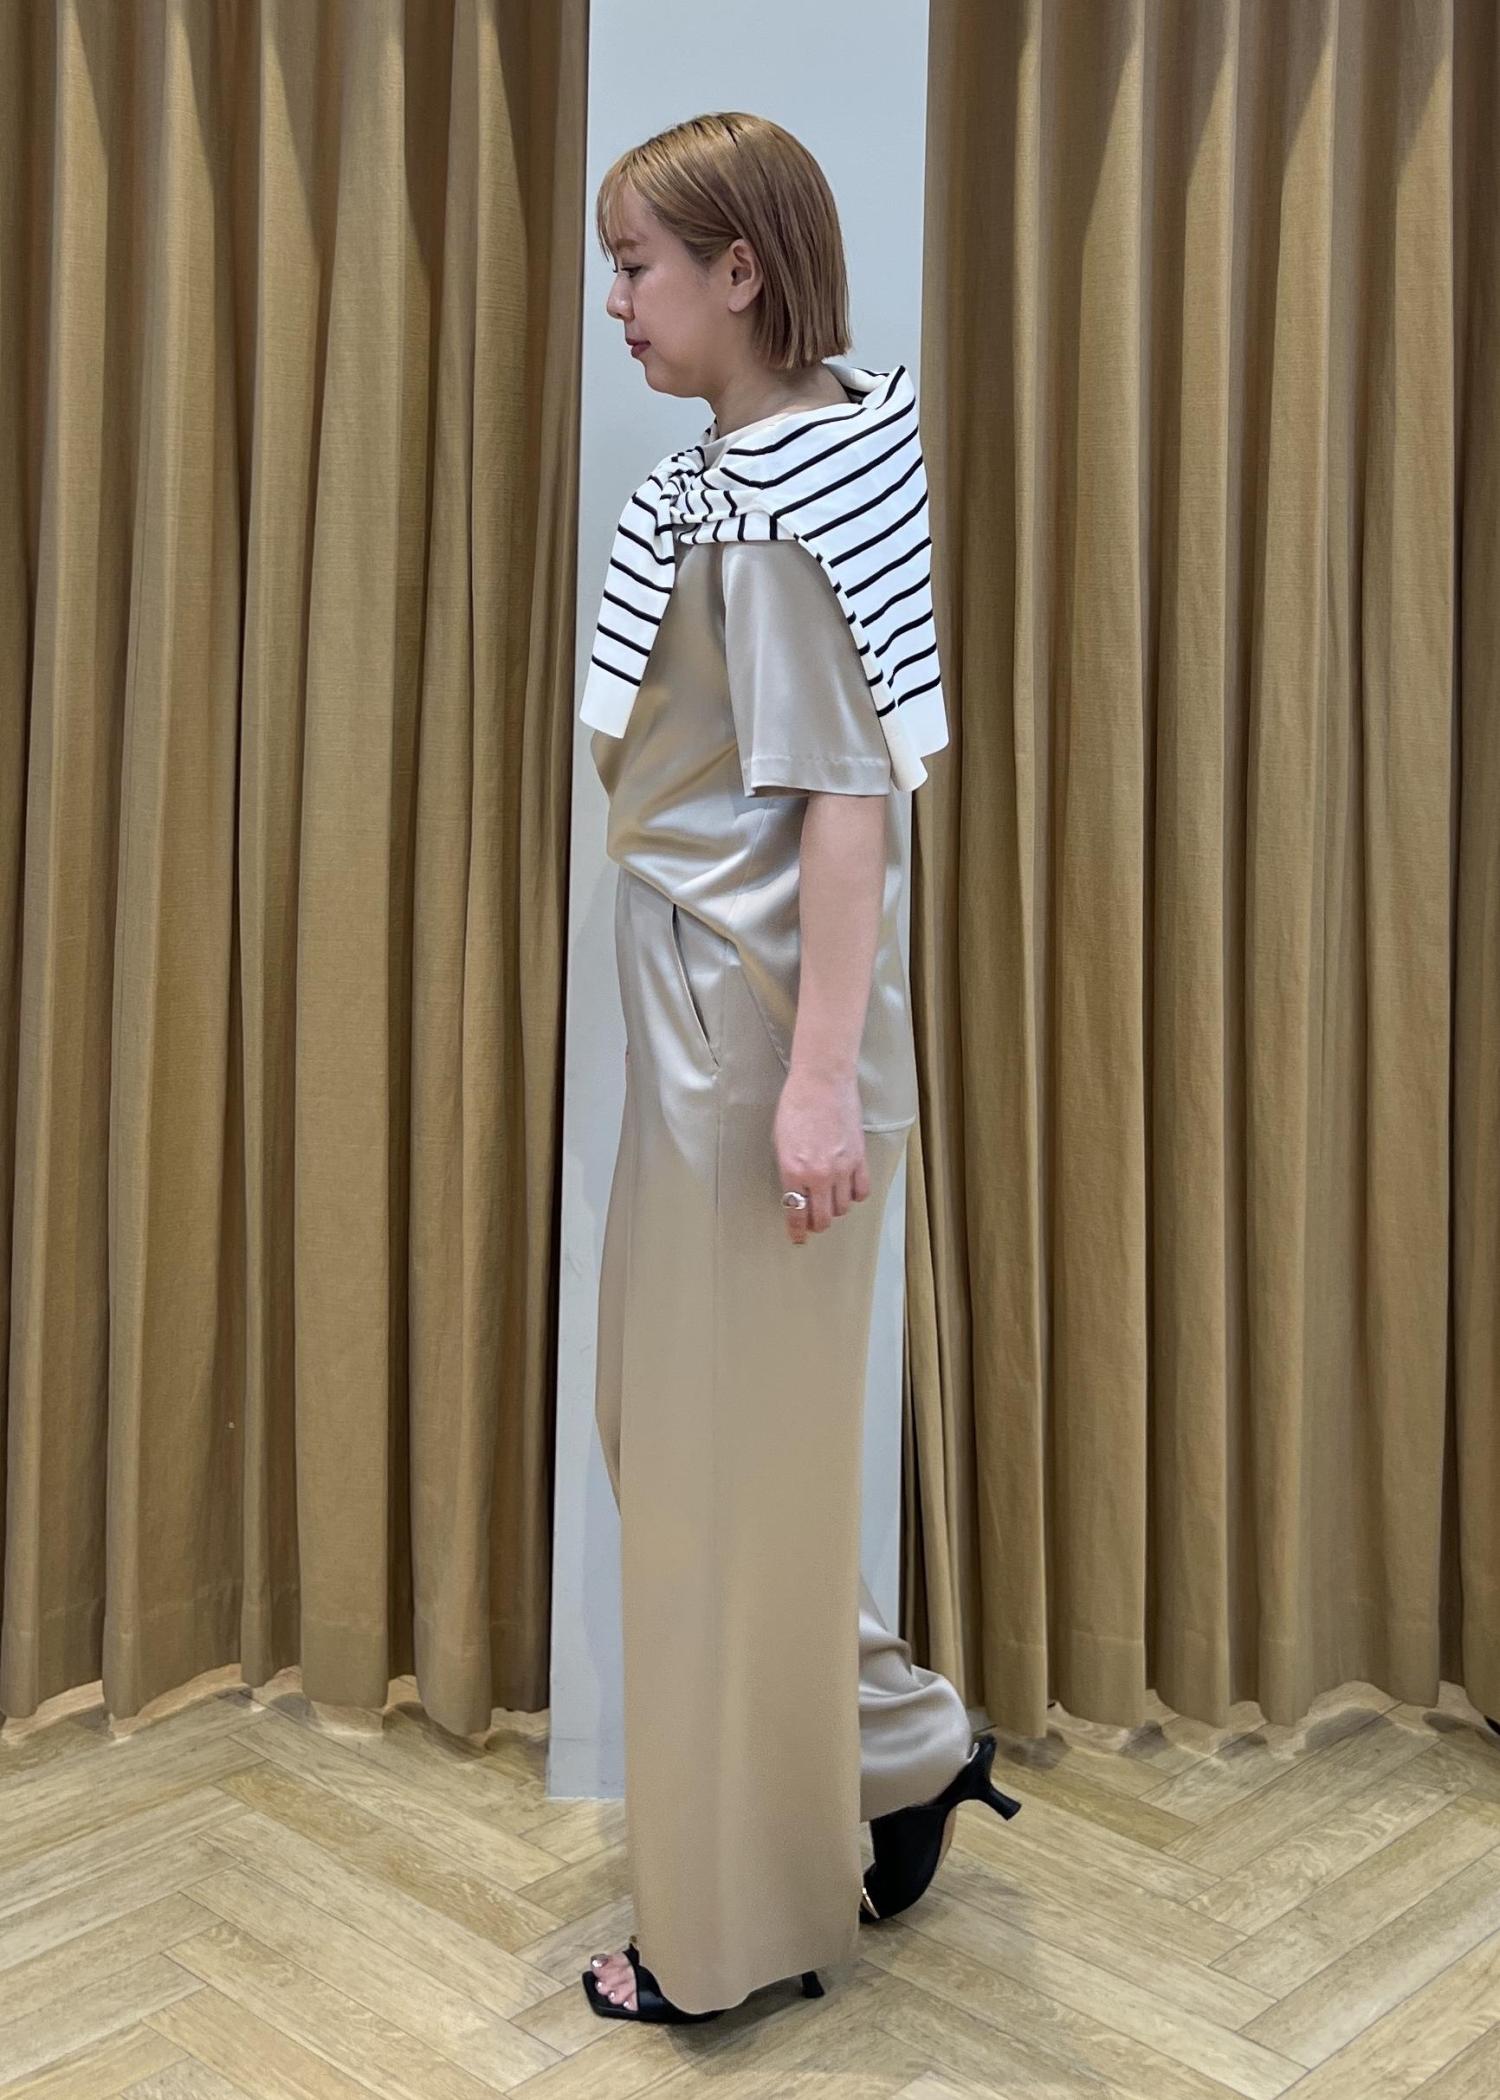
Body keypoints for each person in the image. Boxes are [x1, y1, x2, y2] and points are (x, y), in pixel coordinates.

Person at [578, 112, 1019, 2027]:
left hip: (753, 1057)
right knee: (692, 1453)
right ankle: (903, 1746)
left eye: (640, 267)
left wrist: (818, 1080)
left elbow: (852, 801)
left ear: (739, 272)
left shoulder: (780, 508)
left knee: (707, 1486)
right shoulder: (765, 466)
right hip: (724, 1046)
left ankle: (730, 1939)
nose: (617, 303)